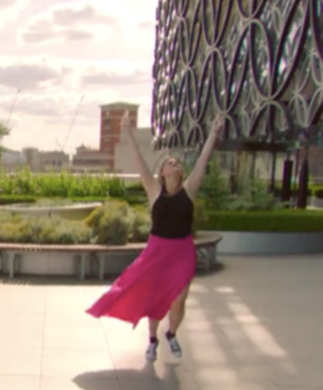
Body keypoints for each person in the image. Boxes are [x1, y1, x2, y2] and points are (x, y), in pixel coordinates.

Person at [86, 115, 225, 362]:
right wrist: (127, 132)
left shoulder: (189, 190)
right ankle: (152, 340)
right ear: (162, 172)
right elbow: (139, 162)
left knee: (179, 299)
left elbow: (202, 162)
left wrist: (213, 134)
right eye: (169, 162)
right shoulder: (154, 190)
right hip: (157, 251)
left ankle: (171, 333)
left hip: (182, 251)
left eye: (177, 163)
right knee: (155, 296)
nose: (174, 164)